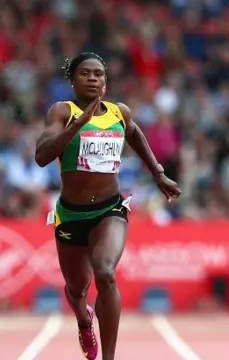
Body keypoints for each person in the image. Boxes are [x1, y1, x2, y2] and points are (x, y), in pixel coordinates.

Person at [35, 52, 182, 360]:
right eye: (85, 74)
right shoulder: (61, 112)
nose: (92, 78)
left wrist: (158, 173)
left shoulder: (119, 112)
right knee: (76, 290)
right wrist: (78, 124)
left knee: (105, 273)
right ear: (72, 80)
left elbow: (136, 134)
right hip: (71, 215)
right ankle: (84, 319)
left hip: (109, 210)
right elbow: (42, 155)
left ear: (105, 81)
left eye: (98, 74)